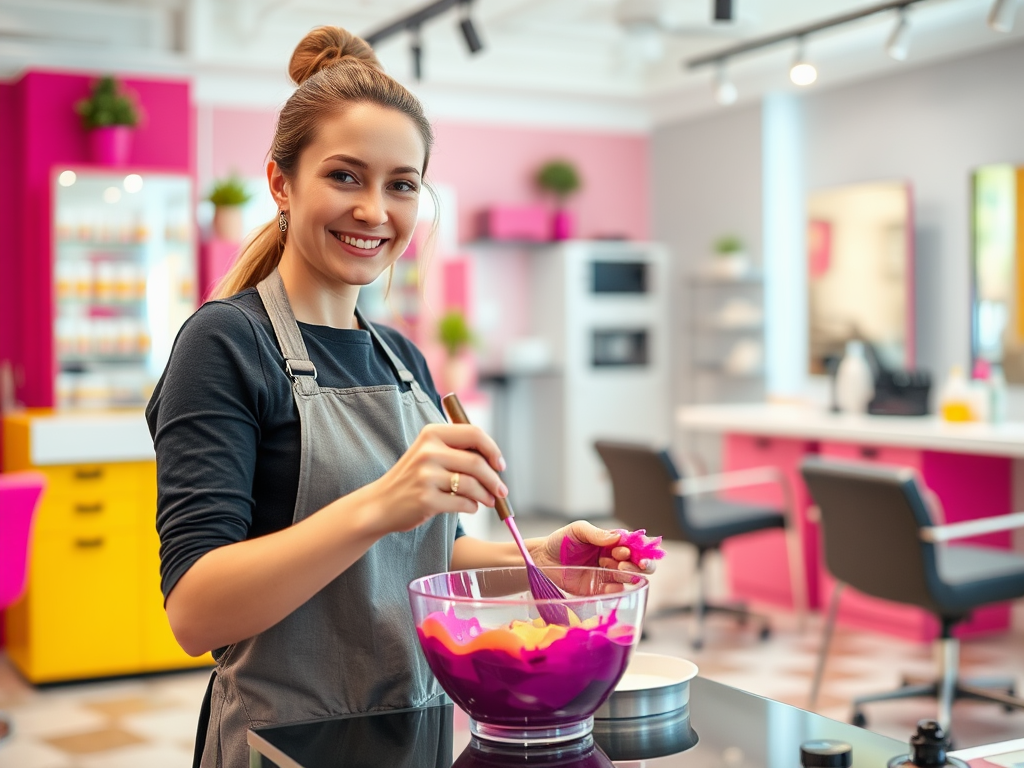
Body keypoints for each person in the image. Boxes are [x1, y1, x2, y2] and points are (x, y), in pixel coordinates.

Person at [146, 26, 660, 768]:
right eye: (345, 176)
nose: (374, 211)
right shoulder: (226, 343)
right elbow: (195, 610)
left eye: (402, 184)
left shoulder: (402, 357)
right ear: (281, 183)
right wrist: (382, 502)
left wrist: (543, 558)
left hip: (414, 735)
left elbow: (417, 552)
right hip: (284, 742)